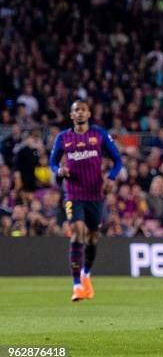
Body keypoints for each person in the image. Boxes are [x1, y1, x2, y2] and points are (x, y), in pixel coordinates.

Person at [50, 100, 122, 302]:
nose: (79, 113)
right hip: (73, 193)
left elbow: (118, 160)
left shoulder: (99, 134)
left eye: (83, 110)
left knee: (92, 237)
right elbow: (52, 162)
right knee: (78, 232)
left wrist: (111, 178)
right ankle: (76, 286)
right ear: (71, 115)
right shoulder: (63, 138)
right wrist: (59, 171)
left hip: (95, 194)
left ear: (89, 113)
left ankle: (86, 275)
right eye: (76, 110)